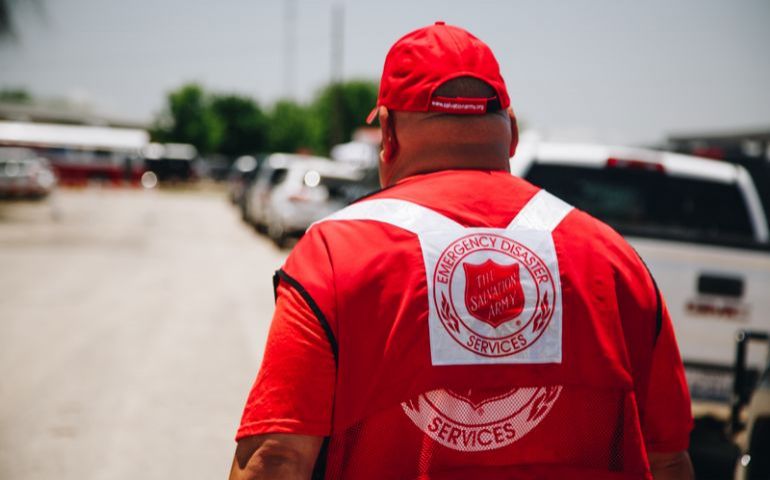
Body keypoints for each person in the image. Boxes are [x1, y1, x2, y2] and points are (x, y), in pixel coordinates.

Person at [229, 22, 694, 480]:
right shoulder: (615, 261)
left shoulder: (334, 253)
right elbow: (668, 460)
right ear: (510, 132)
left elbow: (275, 459)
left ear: (387, 135)